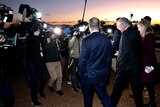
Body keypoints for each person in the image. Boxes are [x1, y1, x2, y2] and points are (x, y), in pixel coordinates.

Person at [79, 17, 113, 107]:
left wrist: (81, 74)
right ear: (99, 26)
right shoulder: (107, 40)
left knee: (88, 98)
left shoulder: (86, 40)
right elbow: (109, 58)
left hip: (88, 75)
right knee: (104, 95)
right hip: (102, 74)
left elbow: (82, 61)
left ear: (89, 26)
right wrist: (107, 72)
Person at [111, 17, 144, 107]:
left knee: (117, 88)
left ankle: (111, 105)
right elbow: (134, 49)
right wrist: (121, 52)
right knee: (137, 89)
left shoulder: (125, 34)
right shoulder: (136, 32)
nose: (117, 28)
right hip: (136, 66)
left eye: (118, 26)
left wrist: (119, 68)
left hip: (126, 67)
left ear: (122, 25)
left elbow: (123, 55)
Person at [137, 20, 157, 107]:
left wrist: (148, 67)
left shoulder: (150, 36)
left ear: (143, 26)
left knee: (149, 84)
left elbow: (150, 52)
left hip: (148, 64)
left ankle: (153, 103)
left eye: (139, 27)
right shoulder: (145, 36)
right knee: (146, 83)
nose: (138, 29)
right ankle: (137, 94)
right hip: (145, 63)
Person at [42, 31, 64, 96]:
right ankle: (50, 85)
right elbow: (47, 50)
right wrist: (51, 41)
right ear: (49, 36)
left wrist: (60, 41)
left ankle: (58, 89)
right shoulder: (46, 42)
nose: (54, 36)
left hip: (57, 61)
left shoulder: (56, 41)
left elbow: (61, 48)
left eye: (54, 34)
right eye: (53, 35)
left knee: (60, 76)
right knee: (54, 77)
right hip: (49, 62)